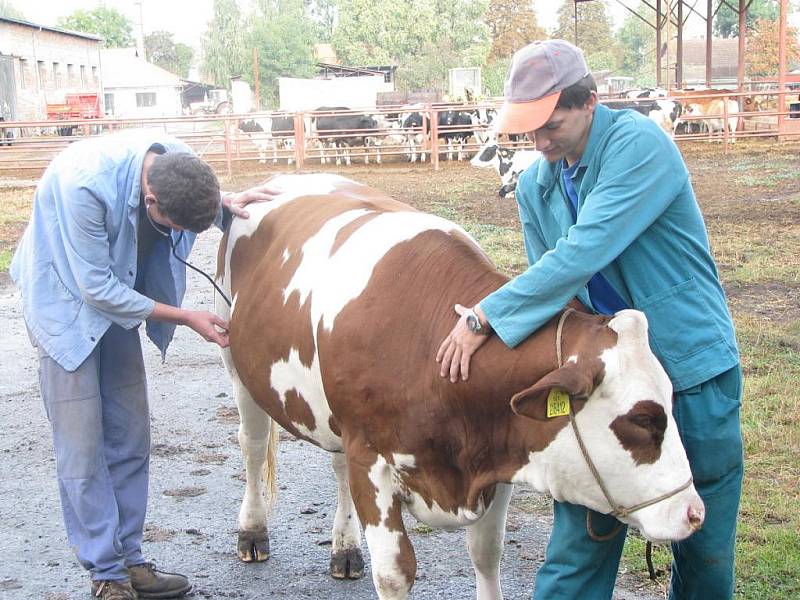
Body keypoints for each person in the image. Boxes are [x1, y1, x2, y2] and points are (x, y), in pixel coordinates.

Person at [437, 40, 743, 600]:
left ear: (591, 103)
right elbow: (557, 289)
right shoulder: (535, 183)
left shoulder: (639, 146)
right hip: (608, 381)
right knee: (580, 542)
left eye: (551, 124)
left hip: (689, 365)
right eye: (528, 128)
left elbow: (583, 251)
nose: (539, 140)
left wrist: (485, 317)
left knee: (702, 543)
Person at [10, 131, 277, 600]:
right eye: (171, 226)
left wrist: (223, 204)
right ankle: (106, 574)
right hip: (66, 305)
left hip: (122, 301)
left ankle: (131, 561)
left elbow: (196, 204)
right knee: (83, 445)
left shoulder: (181, 162)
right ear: (150, 199)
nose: (174, 235)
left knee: (130, 435)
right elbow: (96, 289)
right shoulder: (83, 185)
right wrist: (186, 316)